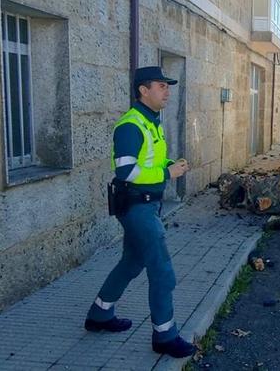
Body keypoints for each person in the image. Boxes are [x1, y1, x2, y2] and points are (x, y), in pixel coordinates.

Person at [84, 66, 196, 358]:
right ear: (143, 90)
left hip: (146, 204)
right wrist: (167, 174)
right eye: (161, 86)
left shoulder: (150, 121)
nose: (167, 91)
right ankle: (165, 335)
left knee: (132, 263)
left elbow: (149, 161)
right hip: (137, 207)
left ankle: (100, 314)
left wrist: (170, 164)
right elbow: (126, 171)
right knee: (162, 270)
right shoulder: (131, 125)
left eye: (168, 86)